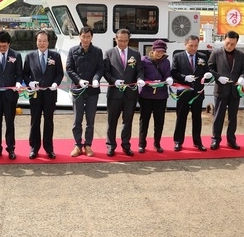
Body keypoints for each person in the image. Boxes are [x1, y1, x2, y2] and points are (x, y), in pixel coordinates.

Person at [103, 28, 145, 157]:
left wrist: (140, 79)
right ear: (116, 39)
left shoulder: (135, 54)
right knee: (112, 121)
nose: (122, 43)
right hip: (115, 93)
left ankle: (126, 145)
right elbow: (106, 72)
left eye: (125, 41)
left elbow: (140, 70)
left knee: (128, 121)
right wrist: (114, 81)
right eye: (120, 41)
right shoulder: (109, 53)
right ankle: (111, 145)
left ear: (129, 40)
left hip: (130, 94)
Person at [23, 30, 64, 159]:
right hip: (35, 94)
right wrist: (30, 83)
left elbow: (59, 74)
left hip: (50, 95)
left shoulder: (55, 56)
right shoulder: (30, 56)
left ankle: (49, 148)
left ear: (48, 42)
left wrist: (55, 83)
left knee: (49, 121)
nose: (42, 43)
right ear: (36, 41)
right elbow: (25, 74)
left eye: (44, 41)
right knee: (35, 121)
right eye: (39, 41)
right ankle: (34, 148)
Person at [66, 26, 104, 157]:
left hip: (93, 91)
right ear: (79, 37)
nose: (86, 39)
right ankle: (77, 145)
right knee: (77, 119)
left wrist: (96, 79)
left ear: (91, 37)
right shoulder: (73, 51)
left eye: (88, 37)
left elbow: (100, 68)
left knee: (90, 120)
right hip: (78, 90)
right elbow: (69, 69)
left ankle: (88, 145)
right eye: (83, 36)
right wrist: (78, 80)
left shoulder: (97, 51)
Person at [0, 31, 23, 160]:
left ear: (9, 44)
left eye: (4, 46)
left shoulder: (16, 55)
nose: (1, 48)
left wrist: (18, 82)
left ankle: (11, 148)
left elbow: (19, 73)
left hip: (10, 95)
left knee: (10, 123)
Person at [208, 30, 244, 150]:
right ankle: (216, 139)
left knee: (233, 117)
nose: (230, 46)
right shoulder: (216, 53)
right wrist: (218, 77)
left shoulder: (240, 55)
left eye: (233, 44)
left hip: (235, 90)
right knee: (218, 116)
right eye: (228, 43)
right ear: (224, 40)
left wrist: (242, 78)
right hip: (221, 89)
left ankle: (231, 140)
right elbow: (209, 68)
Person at [171, 35, 211, 152]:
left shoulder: (202, 57)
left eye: (196, 46)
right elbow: (174, 72)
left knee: (197, 118)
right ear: (185, 44)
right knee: (181, 117)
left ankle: (197, 142)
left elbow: (207, 73)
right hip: (184, 91)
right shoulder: (178, 56)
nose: (193, 48)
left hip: (198, 92)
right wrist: (184, 78)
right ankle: (178, 141)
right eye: (191, 45)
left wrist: (208, 76)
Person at [138, 40, 172, 154]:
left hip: (161, 95)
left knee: (159, 121)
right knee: (144, 120)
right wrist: (141, 80)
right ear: (152, 50)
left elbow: (167, 74)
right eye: (157, 51)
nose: (159, 54)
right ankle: (142, 144)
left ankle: (157, 143)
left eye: (162, 51)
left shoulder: (166, 62)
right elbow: (141, 73)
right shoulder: (144, 60)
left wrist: (168, 79)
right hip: (146, 94)